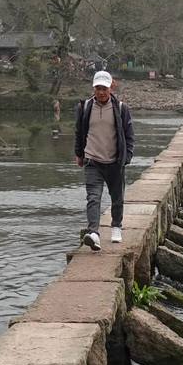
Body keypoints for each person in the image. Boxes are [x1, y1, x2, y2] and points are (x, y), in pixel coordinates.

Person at [74, 70, 134, 250]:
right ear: (93, 87)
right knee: (93, 197)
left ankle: (116, 226)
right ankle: (93, 233)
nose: (101, 92)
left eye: (104, 88)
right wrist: (79, 154)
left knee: (117, 198)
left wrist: (126, 157)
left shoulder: (121, 108)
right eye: (97, 88)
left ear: (112, 86)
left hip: (115, 162)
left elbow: (129, 136)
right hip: (93, 161)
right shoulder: (85, 107)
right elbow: (79, 133)